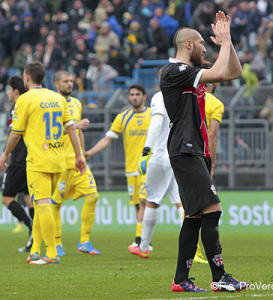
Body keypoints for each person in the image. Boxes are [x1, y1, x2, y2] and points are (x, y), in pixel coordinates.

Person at [160, 12, 249, 292]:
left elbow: (234, 72)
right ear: (188, 45)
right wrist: (223, 43)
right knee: (213, 208)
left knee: (195, 215)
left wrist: (229, 42)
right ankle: (220, 277)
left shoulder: (191, 74)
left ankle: (181, 280)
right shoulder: (174, 72)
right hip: (184, 149)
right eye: (200, 44)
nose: (203, 48)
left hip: (192, 150)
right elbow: (220, 72)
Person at [0, 61, 86, 265]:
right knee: (40, 204)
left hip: (38, 160)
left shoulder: (25, 99)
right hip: (58, 160)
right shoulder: (57, 98)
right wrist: (78, 155)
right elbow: (71, 128)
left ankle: (52, 253)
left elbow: (16, 133)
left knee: (43, 204)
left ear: (27, 78)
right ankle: (36, 250)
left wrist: (5, 154)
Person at [85, 84, 151, 248]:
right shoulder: (123, 117)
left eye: (138, 94)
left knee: (143, 201)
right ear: (128, 97)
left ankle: (139, 240)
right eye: (132, 95)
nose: (134, 97)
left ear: (144, 96)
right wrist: (89, 153)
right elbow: (107, 139)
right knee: (137, 204)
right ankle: (144, 238)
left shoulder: (153, 115)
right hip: (131, 169)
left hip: (148, 167)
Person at [128, 74, 184, 258]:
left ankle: (143, 246)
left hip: (161, 155)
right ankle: (194, 246)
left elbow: (157, 122)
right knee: (179, 201)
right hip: (180, 154)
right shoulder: (185, 95)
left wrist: (146, 151)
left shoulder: (160, 97)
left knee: (152, 201)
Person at [52, 70, 100, 256]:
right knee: (55, 204)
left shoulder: (77, 103)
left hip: (77, 162)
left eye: (71, 81)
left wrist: (83, 153)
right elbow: (52, 132)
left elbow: (78, 132)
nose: (70, 84)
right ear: (56, 84)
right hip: (61, 162)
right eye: (65, 81)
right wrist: (76, 126)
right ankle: (56, 243)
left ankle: (84, 242)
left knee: (93, 196)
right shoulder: (52, 104)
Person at [193, 81, 224, 264]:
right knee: (209, 208)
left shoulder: (188, 96)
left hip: (179, 152)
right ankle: (196, 252)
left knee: (189, 203)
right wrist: (211, 165)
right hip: (199, 157)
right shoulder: (215, 103)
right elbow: (212, 135)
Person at [2, 75, 34, 252]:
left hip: (18, 159)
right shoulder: (30, 103)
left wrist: (5, 154)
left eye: (8, 89)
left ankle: (32, 228)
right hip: (30, 157)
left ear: (15, 91)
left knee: (7, 198)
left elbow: (15, 133)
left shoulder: (18, 106)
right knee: (29, 198)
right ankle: (33, 237)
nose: (7, 93)